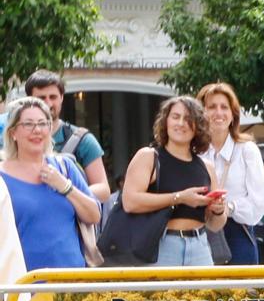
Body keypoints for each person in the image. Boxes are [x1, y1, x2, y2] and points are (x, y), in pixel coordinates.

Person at [123, 95, 228, 268]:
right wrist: (179, 198)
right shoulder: (149, 157)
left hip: (200, 245)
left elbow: (215, 225)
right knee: (161, 296)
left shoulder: (206, 166)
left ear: (198, 126)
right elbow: (130, 202)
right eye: (175, 117)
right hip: (161, 245)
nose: (180, 123)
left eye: (188, 119)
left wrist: (218, 210)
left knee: (204, 296)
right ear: (165, 121)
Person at [0, 96, 100, 271]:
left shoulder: (65, 167)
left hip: (71, 283)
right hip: (22, 286)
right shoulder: (3, 177)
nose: (37, 130)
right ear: (13, 133)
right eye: (28, 124)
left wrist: (65, 187)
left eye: (43, 123)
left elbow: (94, 215)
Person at [199, 82, 264, 266]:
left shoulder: (247, 150)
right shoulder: (193, 152)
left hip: (239, 234)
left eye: (224, 107)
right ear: (201, 113)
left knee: (241, 294)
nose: (218, 113)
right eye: (211, 107)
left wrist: (228, 207)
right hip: (199, 237)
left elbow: (258, 204)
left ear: (233, 114)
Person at [21, 70, 110, 201]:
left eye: (53, 97)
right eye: (41, 98)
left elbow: (103, 190)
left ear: (62, 97)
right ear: (29, 100)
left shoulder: (82, 140)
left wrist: (65, 189)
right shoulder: (16, 138)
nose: (48, 104)